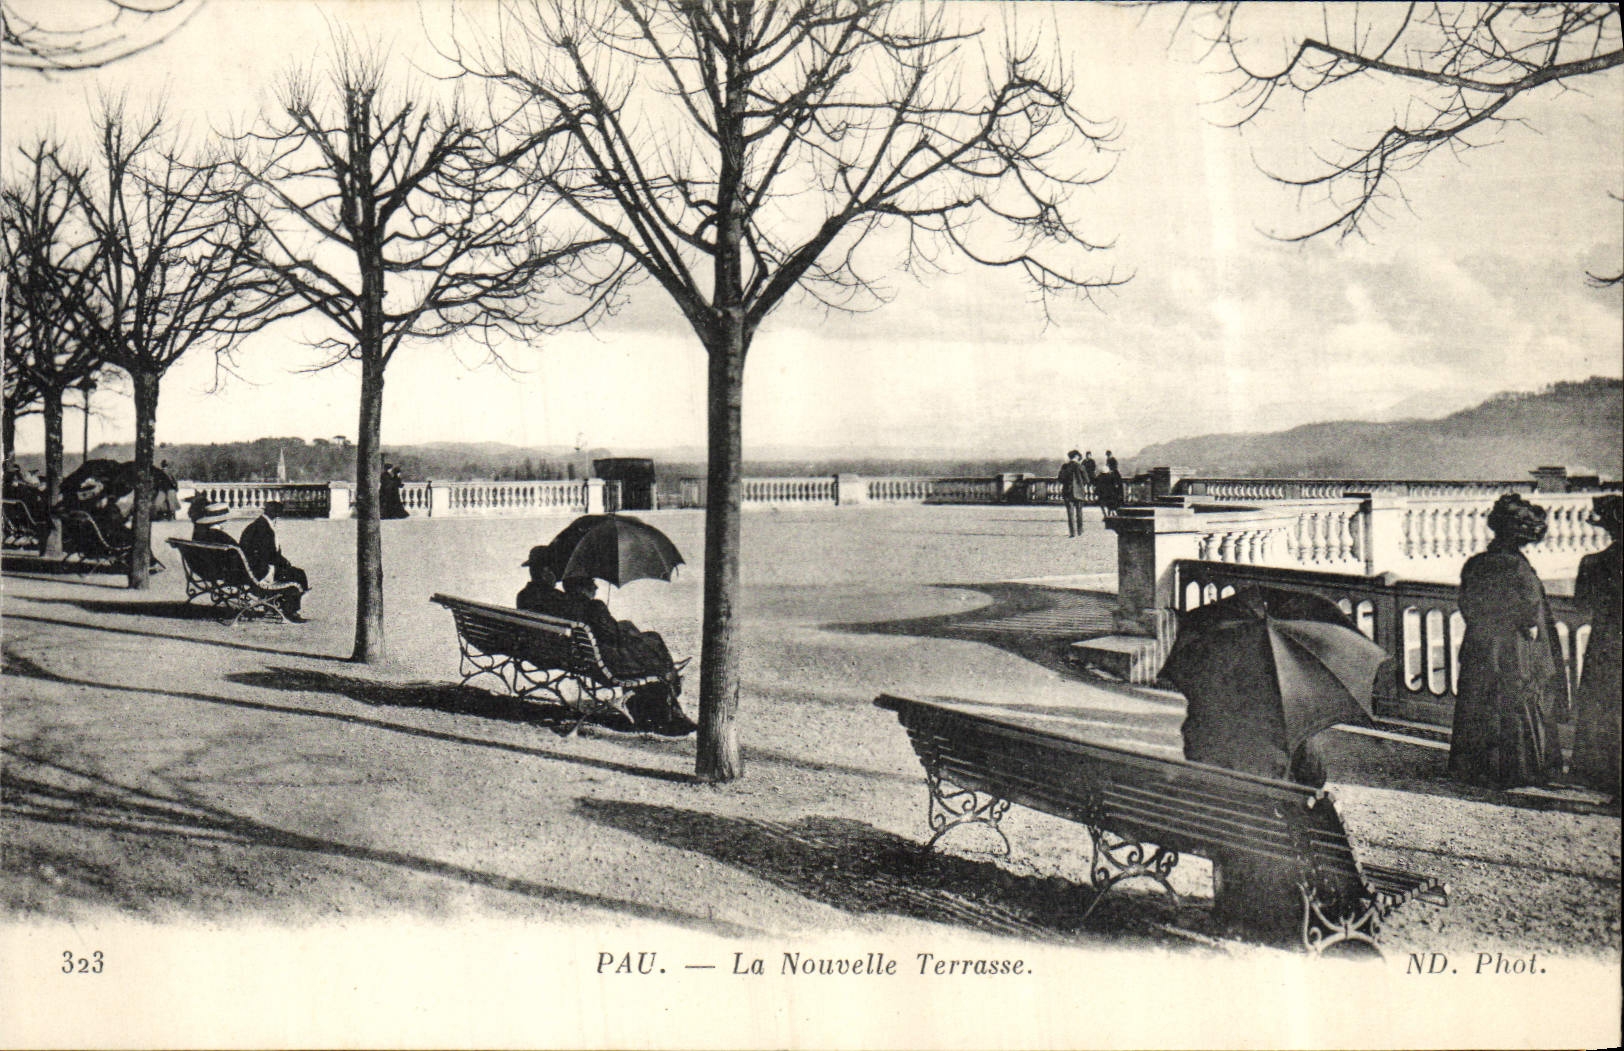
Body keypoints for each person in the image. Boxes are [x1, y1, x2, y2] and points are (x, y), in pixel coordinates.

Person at [1447, 493, 1565, 789]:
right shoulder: (1518, 567)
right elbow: (1530, 613)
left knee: (1480, 701)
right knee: (1515, 702)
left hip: (1480, 643)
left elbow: (1466, 604)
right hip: (1513, 647)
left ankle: (1475, 767)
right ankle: (1516, 770)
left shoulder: (1475, 563)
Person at [1569, 495, 1620, 796]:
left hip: (1607, 640)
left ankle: (1603, 774)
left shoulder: (1593, 562)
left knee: (1605, 707)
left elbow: (1582, 606)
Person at [240, 501, 310, 619]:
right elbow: (269, 554)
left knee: (291, 572)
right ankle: (290, 611)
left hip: (254, 568)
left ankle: (276, 605)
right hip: (261, 571)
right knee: (298, 574)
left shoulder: (258, 524)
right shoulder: (264, 528)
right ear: (275, 513)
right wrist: (284, 563)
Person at [1057, 449, 1089, 538]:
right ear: (1076, 457)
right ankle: (1080, 530)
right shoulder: (1081, 466)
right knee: (1079, 512)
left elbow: (1060, 479)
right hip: (1079, 492)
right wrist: (1080, 484)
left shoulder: (1065, 466)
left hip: (1067, 491)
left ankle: (1072, 532)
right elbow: (1087, 480)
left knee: (1070, 513)